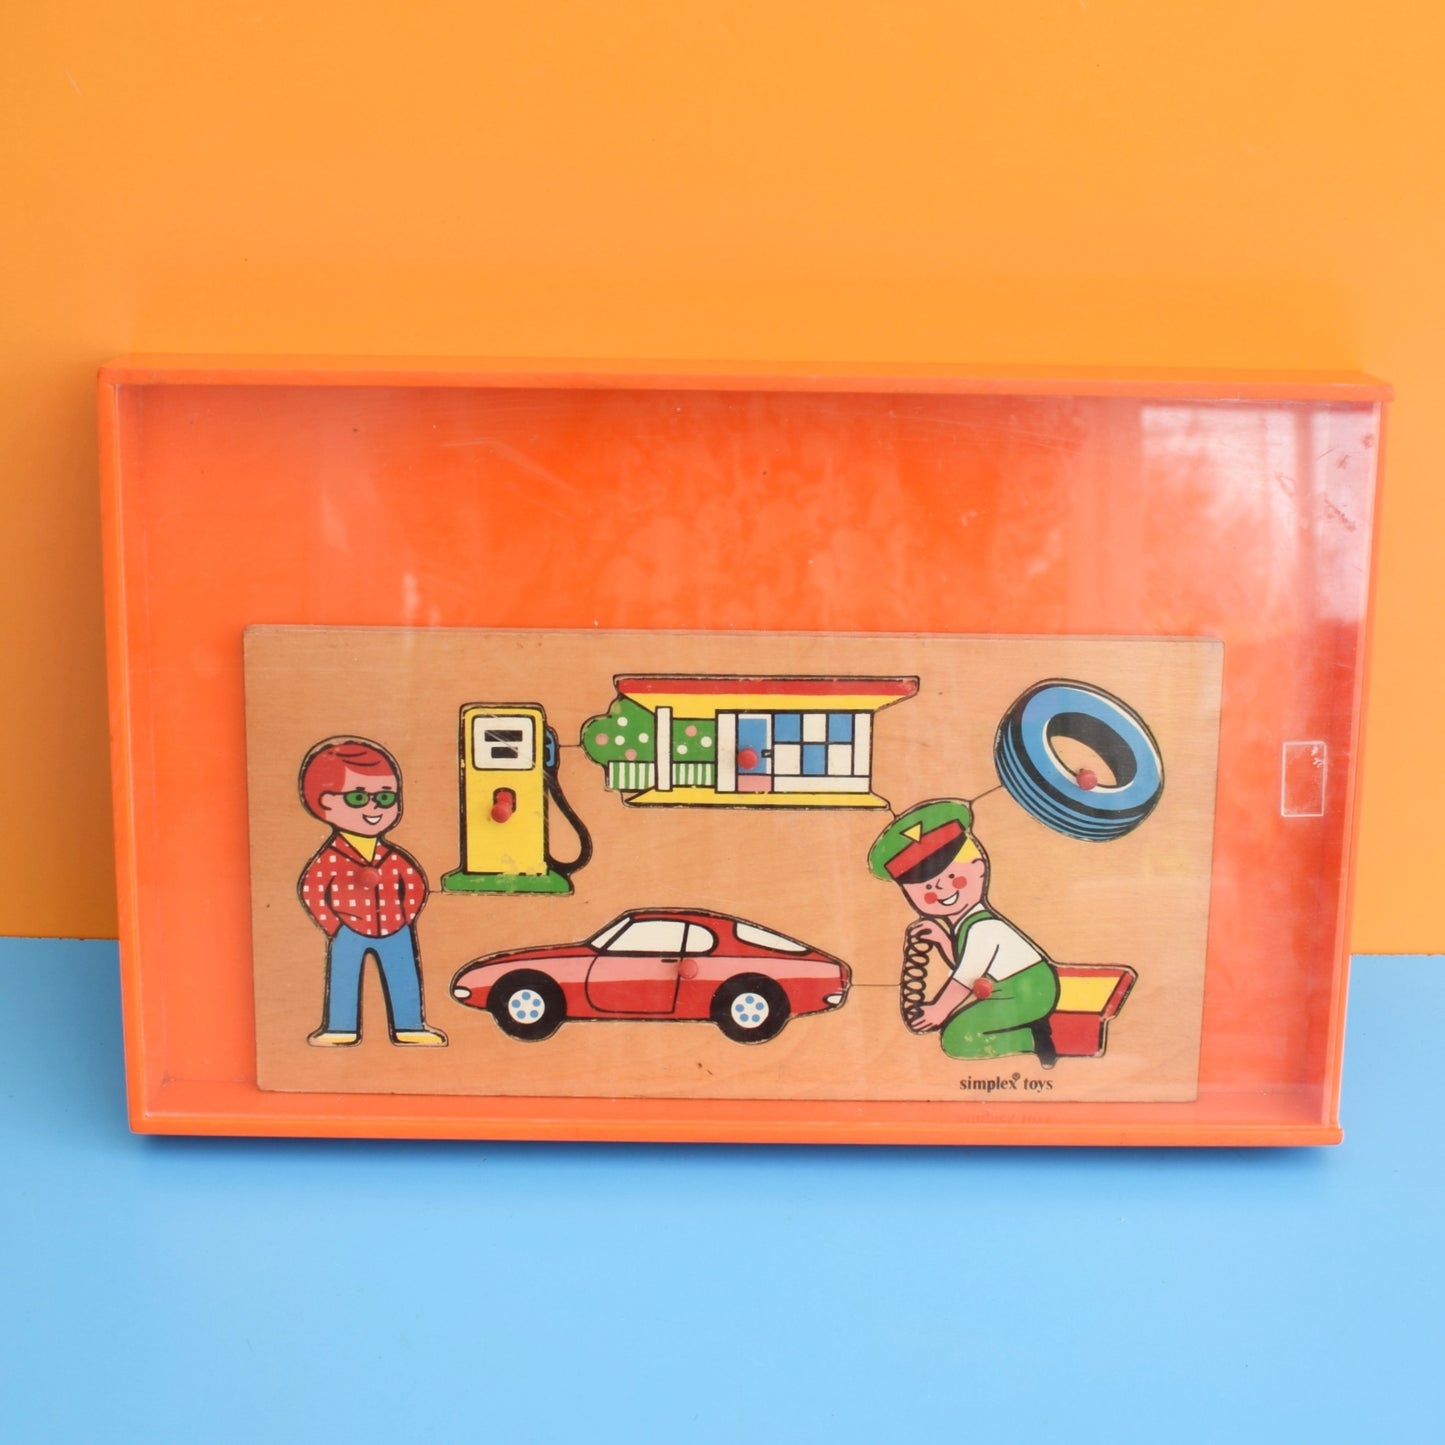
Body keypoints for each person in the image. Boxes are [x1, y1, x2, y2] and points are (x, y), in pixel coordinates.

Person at [868, 799, 1058, 1064]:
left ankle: (1034, 1041)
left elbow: (966, 975)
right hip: (1011, 988)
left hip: (1028, 991)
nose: (942, 890)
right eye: (927, 888)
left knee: (957, 1037)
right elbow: (969, 964)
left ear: (979, 868)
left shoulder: (984, 927)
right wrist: (943, 940)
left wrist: (940, 1010)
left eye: (951, 877)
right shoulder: (969, 925)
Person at [297, 737, 447, 1047]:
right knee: (344, 976)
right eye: (357, 798)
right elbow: (314, 891)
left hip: (395, 927)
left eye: (385, 797)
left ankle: (410, 1026)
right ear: (326, 803)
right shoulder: (331, 859)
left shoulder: (391, 857)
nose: (373, 807)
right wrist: (334, 926)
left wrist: (405, 917)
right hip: (349, 929)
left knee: (403, 974)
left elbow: (415, 885)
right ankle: (340, 1028)